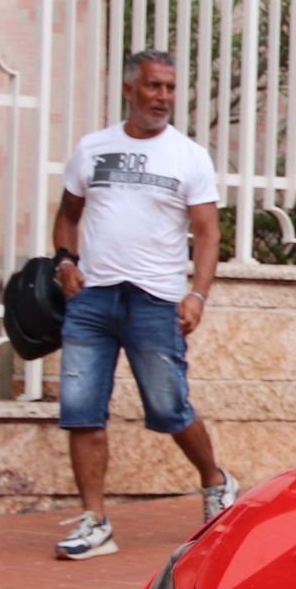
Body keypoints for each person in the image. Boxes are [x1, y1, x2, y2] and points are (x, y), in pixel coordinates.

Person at [51, 50, 237, 560]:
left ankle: (216, 480)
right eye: (154, 87)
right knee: (82, 411)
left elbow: (207, 234)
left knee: (169, 407)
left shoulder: (189, 156)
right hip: (92, 299)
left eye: (170, 88)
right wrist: (65, 261)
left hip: (156, 300)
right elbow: (67, 216)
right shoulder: (92, 149)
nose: (163, 98)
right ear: (130, 89)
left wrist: (197, 294)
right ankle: (95, 522)